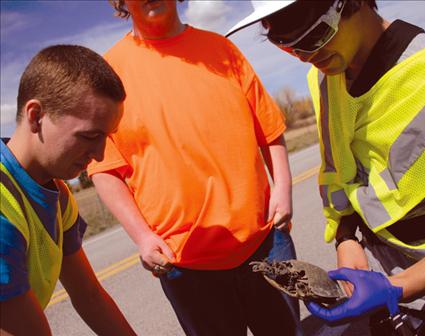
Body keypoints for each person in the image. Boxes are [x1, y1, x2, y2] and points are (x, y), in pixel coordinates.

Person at [227, 0, 425, 334]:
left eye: (314, 36)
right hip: (405, 294)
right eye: (285, 45)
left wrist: (396, 287)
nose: (304, 55)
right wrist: (347, 238)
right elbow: (343, 170)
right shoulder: (326, 79)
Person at [88, 0, 301, 335]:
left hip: (264, 240)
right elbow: (104, 169)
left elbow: (269, 129)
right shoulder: (107, 75)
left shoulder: (222, 49)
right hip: (184, 263)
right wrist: (143, 237)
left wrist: (283, 189)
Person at [0, 45, 136, 336]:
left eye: (107, 137)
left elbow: (89, 296)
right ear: (36, 116)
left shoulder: (57, 194)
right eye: (90, 136)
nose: (100, 155)